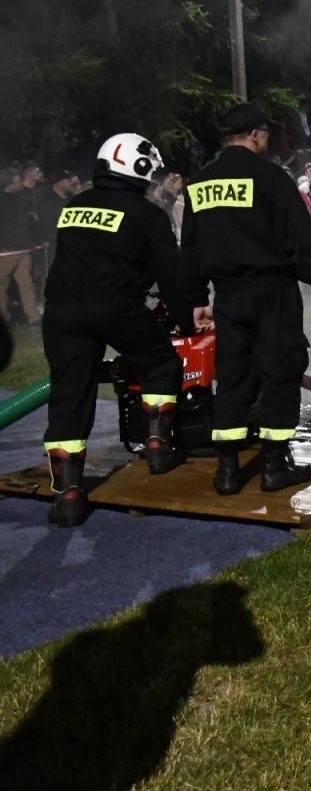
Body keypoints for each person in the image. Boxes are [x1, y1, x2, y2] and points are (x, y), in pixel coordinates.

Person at [182, 103, 311, 496]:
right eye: (266, 133)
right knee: (280, 373)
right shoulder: (271, 178)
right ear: (254, 134)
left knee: (233, 377)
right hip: (274, 293)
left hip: (228, 297)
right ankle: (273, 467)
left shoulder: (200, 183)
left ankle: (228, 471)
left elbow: (192, 247)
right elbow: (296, 239)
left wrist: (199, 295)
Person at [40, 134, 191, 526]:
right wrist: (187, 320)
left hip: (61, 311)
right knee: (161, 364)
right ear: (139, 169)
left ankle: (68, 493)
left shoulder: (74, 205)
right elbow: (170, 276)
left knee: (70, 394)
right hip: (115, 306)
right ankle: (158, 447)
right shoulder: (147, 213)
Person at [0, 166, 42, 327]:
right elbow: (31, 221)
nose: (20, 184)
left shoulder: (17, 199)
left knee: (3, 287)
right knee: (26, 284)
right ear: (9, 183)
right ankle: (33, 316)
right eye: (17, 181)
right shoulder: (21, 199)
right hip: (21, 249)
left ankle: (6, 318)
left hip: (7, 251)